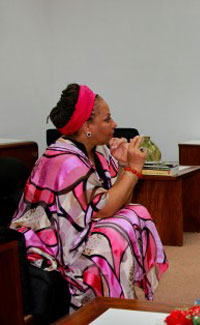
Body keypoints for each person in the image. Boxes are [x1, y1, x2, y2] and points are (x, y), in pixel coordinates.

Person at [10, 83, 169, 310]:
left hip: (80, 229)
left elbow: (120, 201)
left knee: (135, 213)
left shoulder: (98, 151)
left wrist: (124, 166)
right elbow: (104, 209)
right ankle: (101, 307)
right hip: (52, 246)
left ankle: (118, 297)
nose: (114, 124)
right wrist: (133, 170)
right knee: (112, 235)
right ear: (87, 126)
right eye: (107, 119)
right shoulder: (65, 160)